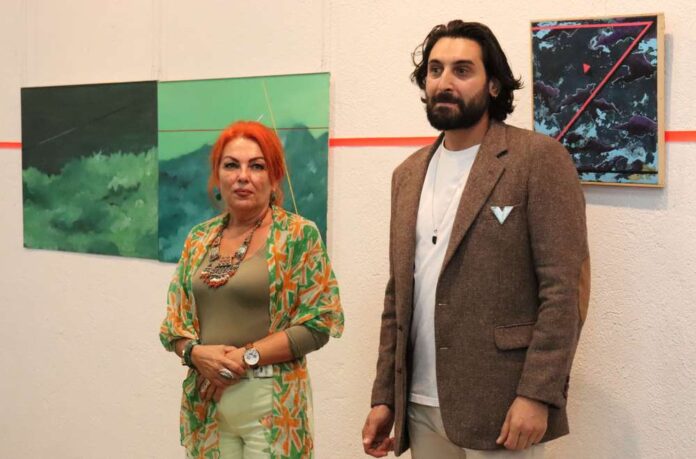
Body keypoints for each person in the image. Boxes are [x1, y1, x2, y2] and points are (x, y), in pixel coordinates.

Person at [362, 21, 590, 458]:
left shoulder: (537, 159)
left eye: (462, 70)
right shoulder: (406, 175)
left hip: (502, 407)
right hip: (419, 403)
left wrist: (538, 394)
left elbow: (564, 291)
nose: (444, 82)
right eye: (435, 70)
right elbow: (399, 294)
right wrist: (384, 396)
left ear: (493, 85)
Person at [160, 121, 344, 459]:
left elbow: (319, 323)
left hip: (271, 400)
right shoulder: (199, 239)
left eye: (256, 166)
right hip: (208, 401)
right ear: (217, 177)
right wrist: (196, 355)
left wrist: (243, 359)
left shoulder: (298, 236)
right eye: (231, 165)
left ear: (274, 177)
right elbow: (174, 326)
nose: (242, 176)